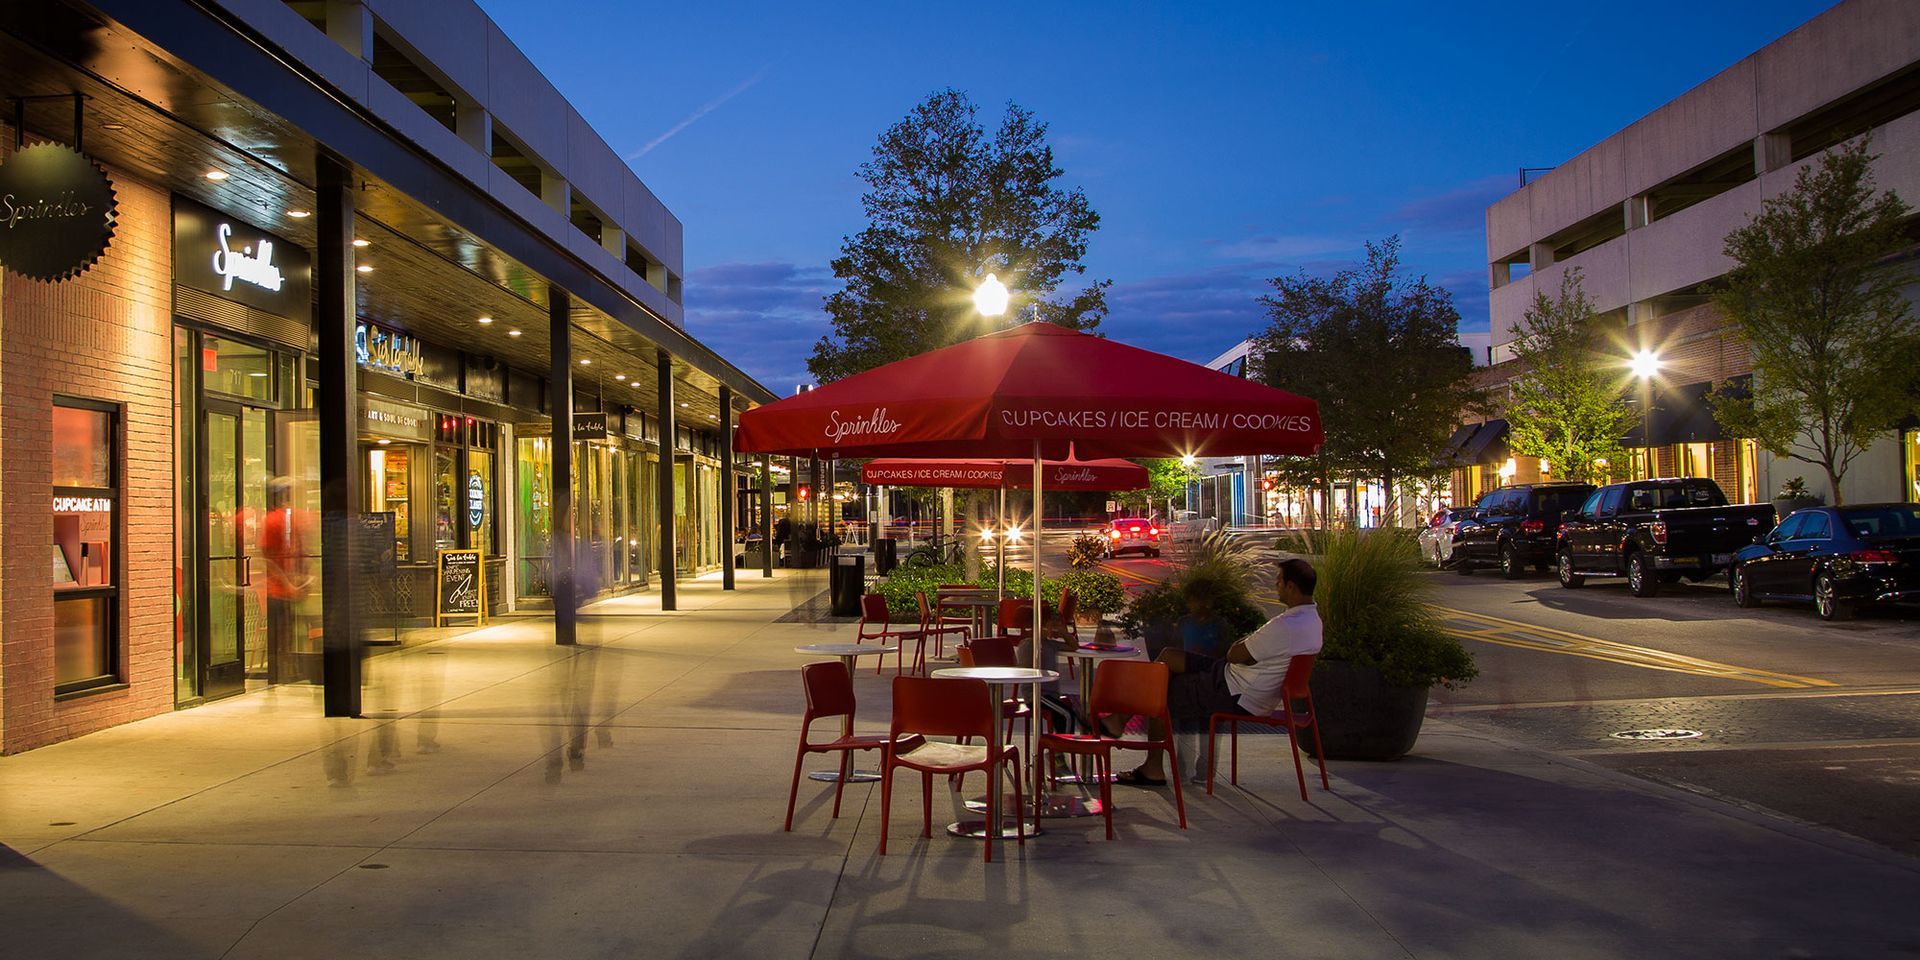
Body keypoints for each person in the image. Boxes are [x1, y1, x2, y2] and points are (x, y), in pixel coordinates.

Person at [1105, 558, 1323, 786]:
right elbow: (1242, 655)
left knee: (1161, 691)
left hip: (1236, 691)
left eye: (1279, 581)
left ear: (1291, 586)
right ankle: (1121, 720)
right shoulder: (1313, 621)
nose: (1275, 586)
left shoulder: (1285, 625)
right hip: (1235, 678)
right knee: (1169, 656)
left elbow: (1235, 654)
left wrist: (1245, 648)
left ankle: (1150, 764)